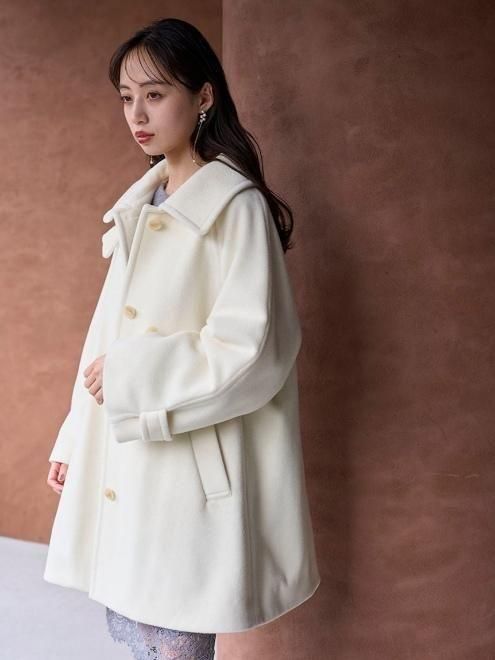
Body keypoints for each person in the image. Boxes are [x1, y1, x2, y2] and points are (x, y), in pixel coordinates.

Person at [44, 17, 320, 660]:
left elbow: (255, 347)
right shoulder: (142, 205)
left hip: (189, 461)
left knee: (175, 640)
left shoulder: (235, 206)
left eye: (155, 93)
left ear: (203, 97)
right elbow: (106, 333)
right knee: (138, 633)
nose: (137, 115)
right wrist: (77, 435)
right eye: (126, 97)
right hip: (127, 454)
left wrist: (133, 375)